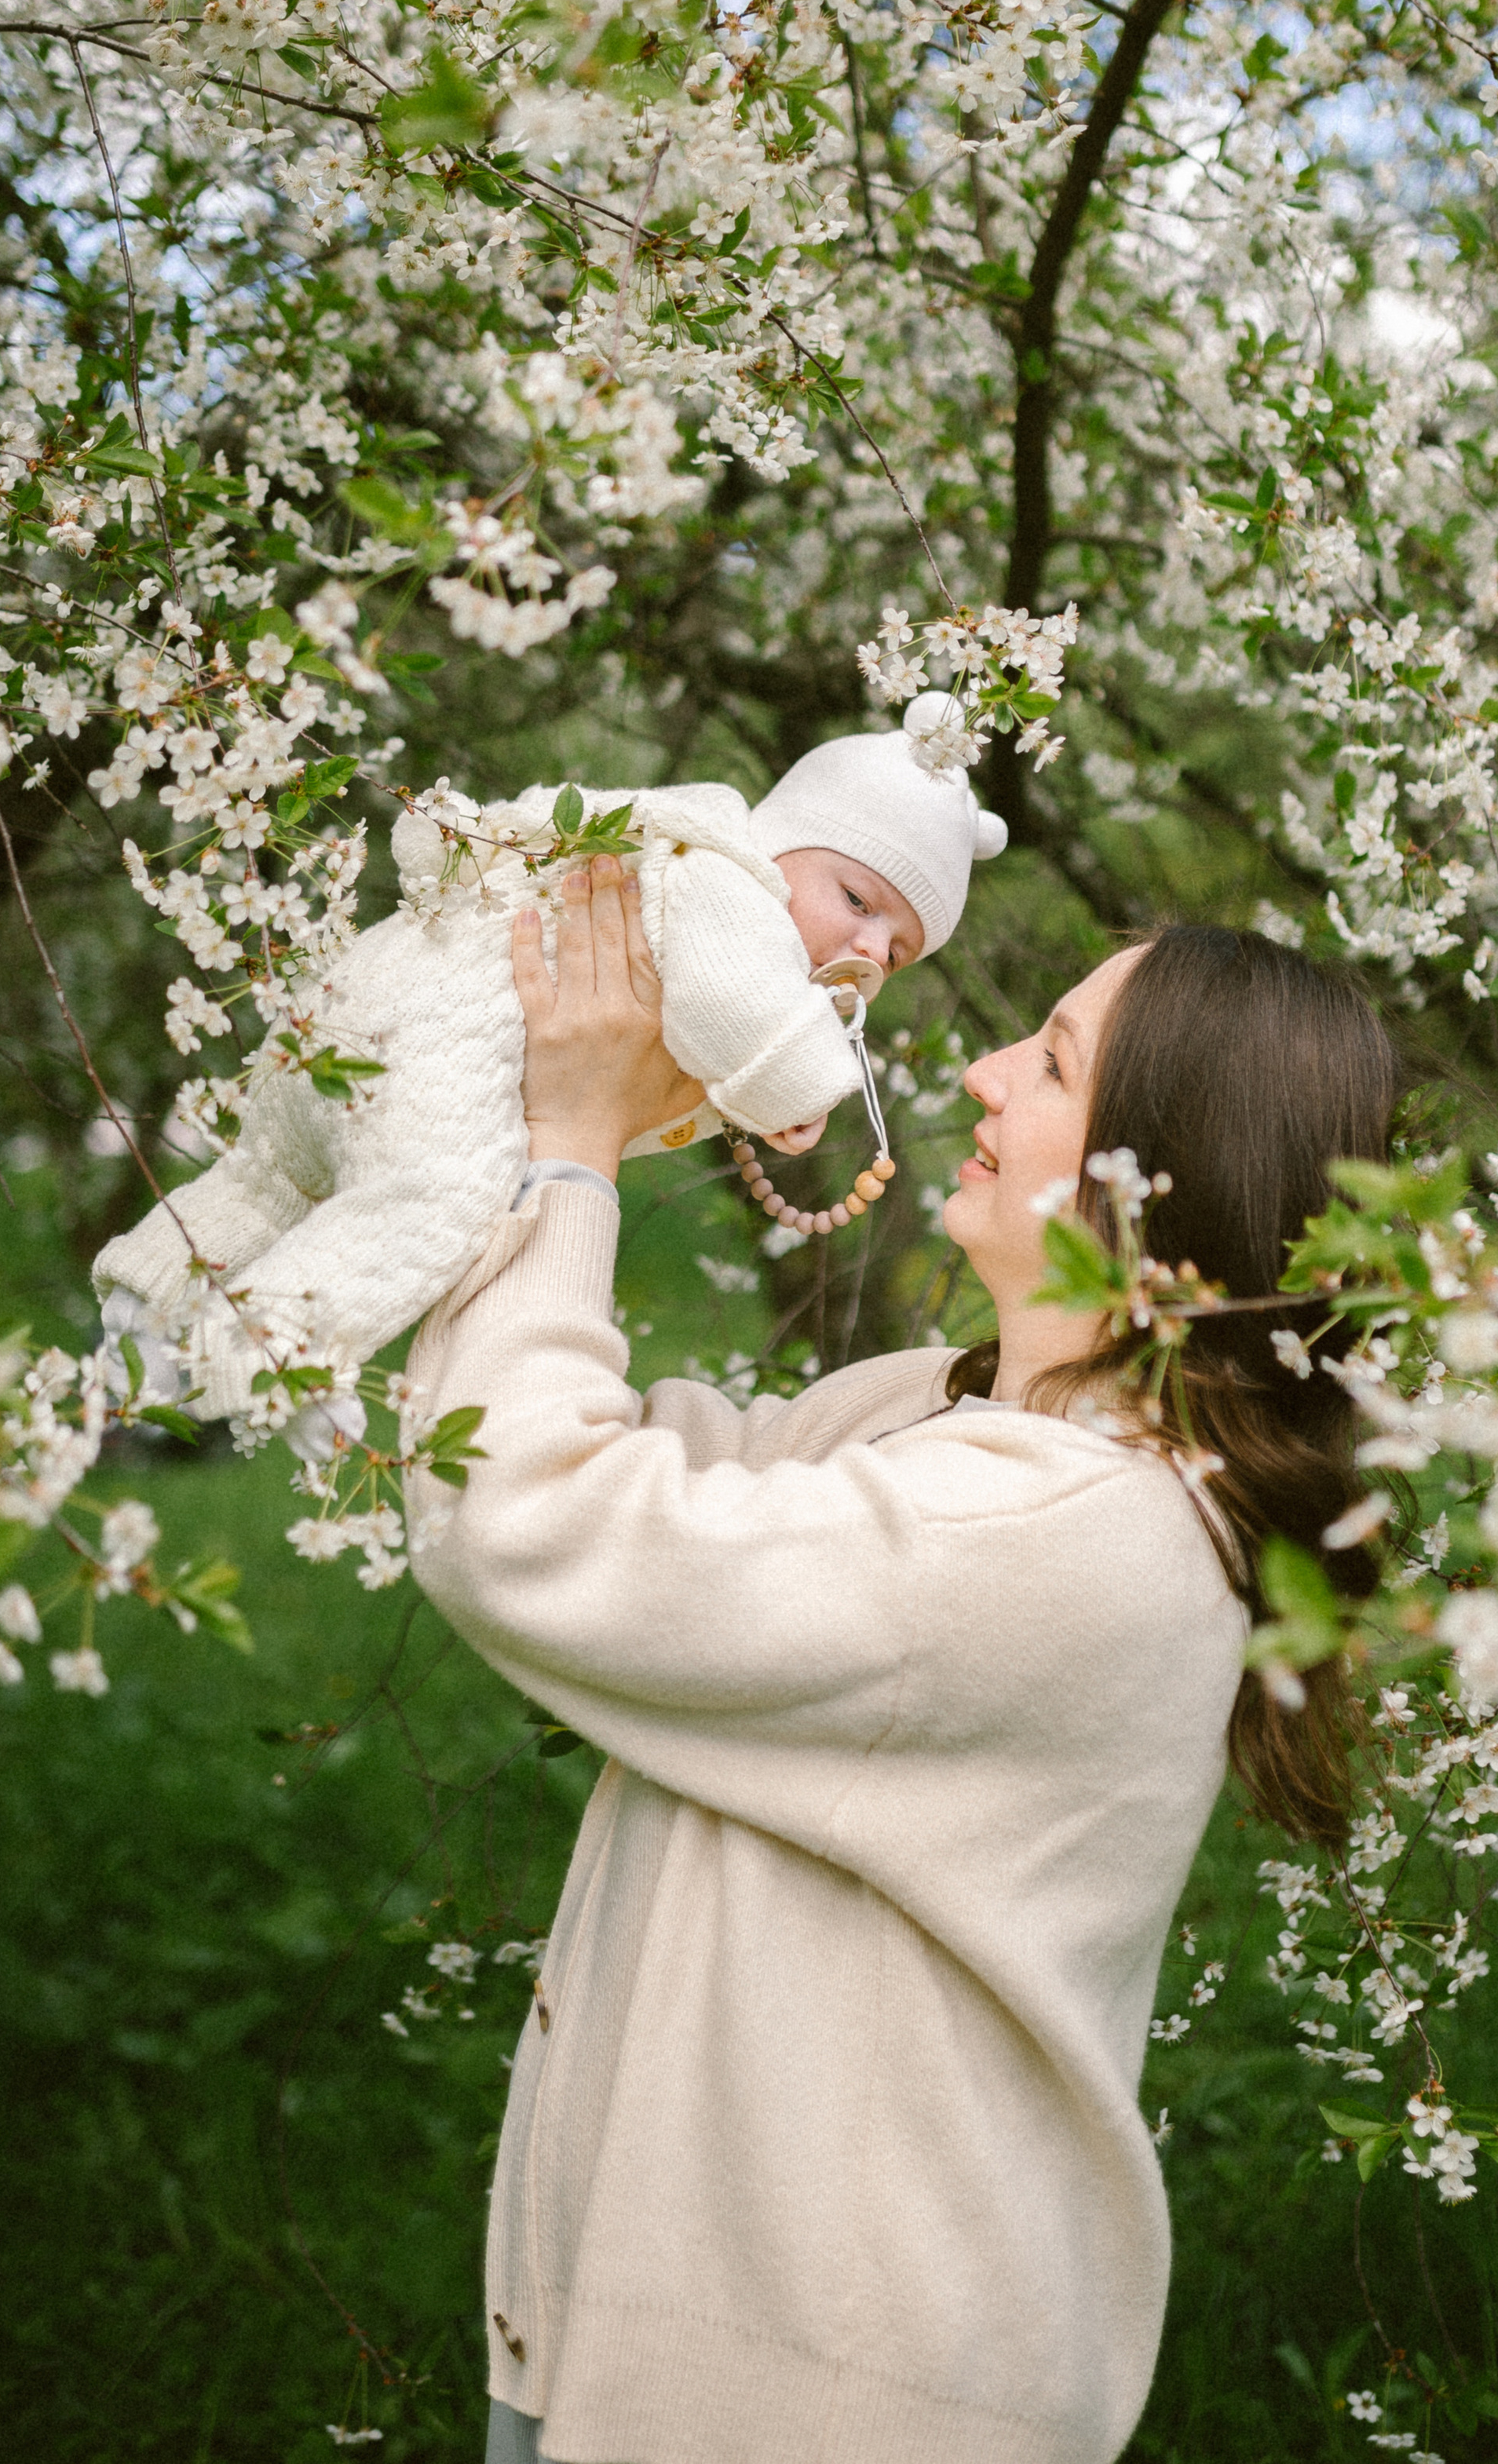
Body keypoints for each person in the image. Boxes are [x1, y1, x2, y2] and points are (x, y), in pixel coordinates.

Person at [404, 860, 1400, 2464]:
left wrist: (574, 1149)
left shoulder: (1067, 1530)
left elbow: (527, 1515)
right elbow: (576, 1446)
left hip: (807, 2398)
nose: (985, 1071)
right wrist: (579, 1097)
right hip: (669, 2346)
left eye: (1055, 1061)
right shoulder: (932, 1417)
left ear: (1167, 1176)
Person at [92, 692, 1004, 1440]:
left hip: (345, 1015)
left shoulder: (661, 841)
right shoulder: (729, 883)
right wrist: (798, 1091)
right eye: (857, 899)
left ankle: (146, 1289)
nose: (872, 948)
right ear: (783, 841)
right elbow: (739, 1012)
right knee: (436, 1203)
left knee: (270, 1173)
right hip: (437, 1050)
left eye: (900, 949)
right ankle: (270, 1353)